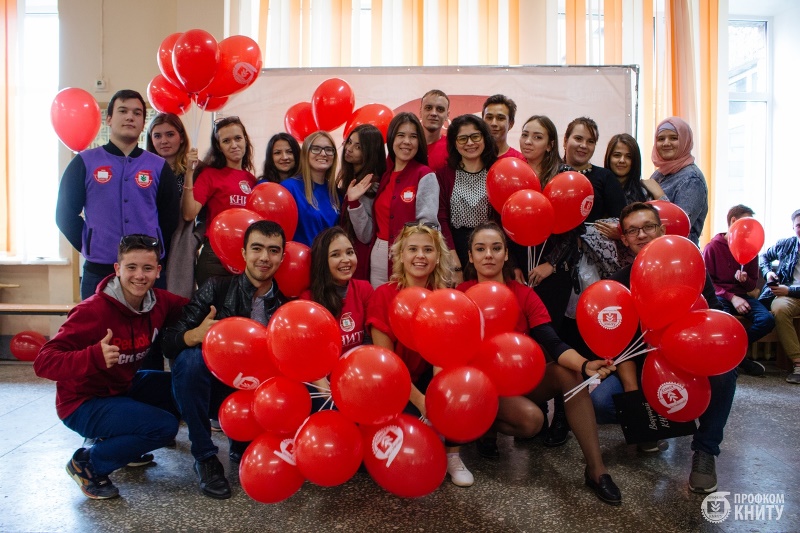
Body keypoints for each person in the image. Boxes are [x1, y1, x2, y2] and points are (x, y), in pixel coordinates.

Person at [458, 222, 622, 505]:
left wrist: (585, 365)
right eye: (480, 249)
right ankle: (484, 428)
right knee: (532, 421)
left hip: (520, 381)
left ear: (506, 254)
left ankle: (597, 470)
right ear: (470, 256)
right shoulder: (460, 296)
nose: (489, 255)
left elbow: (552, 342)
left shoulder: (523, 294)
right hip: (482, 387)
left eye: (496, 248)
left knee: (568, 374)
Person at [33, 234, 187, 500]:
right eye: (131, 267)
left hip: (119, 389)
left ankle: (124, 447)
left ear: (158, 271)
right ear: (117, 269)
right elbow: (43, 362)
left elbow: (195, 307)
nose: (139, 276)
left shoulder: (159, 302)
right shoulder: (92, 311)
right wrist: (93, 356)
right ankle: (88, 464)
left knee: (180, 386)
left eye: (147, 268)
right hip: (82, 403)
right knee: (164, 426)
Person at [610, 202, 737, 493]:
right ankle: (653, 427)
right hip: (644, 364)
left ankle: (705, 451)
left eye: (648, 226)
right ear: (625, 239)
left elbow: (713, 315)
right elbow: (621, 345)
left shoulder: (693, 268)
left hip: (691, 355)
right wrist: (636, 402)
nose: (642, 235)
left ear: (662, 230)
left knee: (725, 373)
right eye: (633, 230)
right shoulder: (619, 282)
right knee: (603, 402)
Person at [163, 220, 288, 499]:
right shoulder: (216, 289)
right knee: (190, 360)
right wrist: (195, 335)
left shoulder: (285, 306)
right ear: (244, 253)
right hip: (212, 390)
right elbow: (168, 342)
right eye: (257, 248)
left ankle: (240, 438)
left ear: (282, 257)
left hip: (256, 396)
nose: (264, 257)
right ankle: (205, 457)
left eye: (273, 250)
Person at [366, 222, 472, 487]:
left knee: (457, 385)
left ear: (437, 257)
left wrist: (437, 399)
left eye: (428, 249)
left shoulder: (444, 297)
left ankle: (453, 456)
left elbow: (443, 357)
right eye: (412, 249)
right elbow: (388, 366)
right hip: (392, 385)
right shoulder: (383, 296)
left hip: (426, 377)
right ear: (401, 255)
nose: (420, 256)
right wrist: (423, 403)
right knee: (410, 448)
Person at [56, 89, 180, 300]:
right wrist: (89, 243)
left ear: (143, 123)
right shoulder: (85, 162)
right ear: (109, 119)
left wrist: (153, 248)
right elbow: (65, 214)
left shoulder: (158, 166)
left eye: (137, 113)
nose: (130, 117)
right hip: (99, 269)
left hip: (146, 271)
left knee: (150, 322)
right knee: (96, 322)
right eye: (123, 111)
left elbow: (169, 216)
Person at [347, 112, 449, 287]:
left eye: (413, 136)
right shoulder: (383, 177)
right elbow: (365, 235)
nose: (406, 141)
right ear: (392, 139)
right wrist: (354, 203)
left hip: (412, 259)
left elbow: (428, 226)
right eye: (401, 135)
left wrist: (413, 254)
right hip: (378, 258)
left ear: (419, 142)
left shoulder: (424, 175)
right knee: (380, 302)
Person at [301, 227, 374, 407]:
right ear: (322, 261)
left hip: (358, 378)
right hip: (323, 387)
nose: (346, 260)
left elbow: (369, 343)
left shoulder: (364, 289)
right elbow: (308, 355)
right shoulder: (308, 300)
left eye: (350, 252)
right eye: (335, 255)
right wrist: (327, 392)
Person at [182, 116, 257, 286]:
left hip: (246, 258)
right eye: (226, 141)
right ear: (219, 147)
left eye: (238, 138)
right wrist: (189, 173)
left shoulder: (252, 181)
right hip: (215, 258)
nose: (234, 145)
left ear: (245, 140)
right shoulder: (210, 175)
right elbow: (189, 214)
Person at [703, 204, 773, 376]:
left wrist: (745, 280)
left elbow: (752, 285)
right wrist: (731, 297)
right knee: (723, 324)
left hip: (743, 296)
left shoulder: (751, 248)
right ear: (733, 221)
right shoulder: (713, 247)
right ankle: (741, 360)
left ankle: (735, 352)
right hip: (721, 296)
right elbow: (708, 284)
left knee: (767, 320)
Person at [146, 113, 201, 300]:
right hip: (150, 239)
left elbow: (199, 213)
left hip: (180, 242)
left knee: (175, 299)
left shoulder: (195, 170)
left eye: (170, 134)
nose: (164, 141)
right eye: (157, 136)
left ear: (181, 137)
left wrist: (195, 238)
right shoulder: (144, 170)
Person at [437, 114, 498, 272]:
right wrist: (453, 259)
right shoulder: (444, 174)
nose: (470, 143)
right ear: (454, 143)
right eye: (462, 139)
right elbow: (441, 218)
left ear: (484, 138)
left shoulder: (497, 171)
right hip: (455, 247)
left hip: (489, 248)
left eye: (475, 136)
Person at [337, 124, 387, 280]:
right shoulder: (351, 178)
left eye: (358, 147)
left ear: (369, 152)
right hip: (348, 254)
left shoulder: (371, 185)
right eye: (349, 142)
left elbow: (366, 235)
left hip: (360, 260)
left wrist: (354, 203)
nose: (349, 148)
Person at [649, 117, 708, 245]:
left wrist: (659, 195)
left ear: (685, 141)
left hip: (679, 252)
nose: (666, 143)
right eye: (661, 139)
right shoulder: (660, 173)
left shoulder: (692, 179)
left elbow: (679, 227)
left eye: (673, 138)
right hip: (657, 249)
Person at [759, 208, 800, 384]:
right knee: (779, 307)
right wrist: (768, 273)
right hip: (788, 297)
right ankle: (798, 363)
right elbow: (763, 257)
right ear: (793, 227)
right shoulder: (786, 244)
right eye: (799, 225)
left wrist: (789, 291)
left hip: (789, 292)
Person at [281, 131, 341, 247]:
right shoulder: (289, 188)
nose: (323, 154)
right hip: (300, 257)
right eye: (316, 149)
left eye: (329, 149)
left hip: (329, 257)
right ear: (305, 153)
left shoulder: (336, 193)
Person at [603, 133, 666, 205]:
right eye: (617, 155)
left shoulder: (644, 192)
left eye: (628, 157)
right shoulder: (598, 188)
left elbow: (668, 211)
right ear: (608, 157)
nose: (622, 160)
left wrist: (659, 195)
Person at [519, 115, 562, 188]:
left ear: (549, 145)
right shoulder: (516, 170)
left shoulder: (563, 173)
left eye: (537, 137)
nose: (527, 141)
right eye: (525, 135)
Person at [482, 94, 525, 160]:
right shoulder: (472, 157)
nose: (494, 123)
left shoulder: (519, 160)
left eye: (500, 118)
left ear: (511, 124)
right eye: (489, 118)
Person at [419, 89, 450, 173]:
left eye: (440, 109)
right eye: (428, 108)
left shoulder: (453, 148)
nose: (433, 113)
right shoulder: (406, 145)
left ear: (447, 115)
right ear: (420, 112)